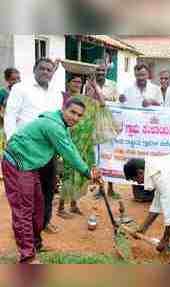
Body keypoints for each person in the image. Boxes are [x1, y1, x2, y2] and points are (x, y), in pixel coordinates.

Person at [2, 98, 102, 263]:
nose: (75, 118)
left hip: (30, 165)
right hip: (17, 163)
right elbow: (68, 152)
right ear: (63, 109)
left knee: (39, 209)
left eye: (79, 115)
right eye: (72, 112)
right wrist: (87, 173)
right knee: (24, 211)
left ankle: (34, 245)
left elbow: (70, 147)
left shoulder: (61, 125)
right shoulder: (53, 126)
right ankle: (28, 257)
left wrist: (89, 169)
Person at [5, 58, 63, 234]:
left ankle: (43, 223)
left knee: (48, 189)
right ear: (34, 70)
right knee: (26, 194)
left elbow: (58, 121)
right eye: (42, 68)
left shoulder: (56, 93)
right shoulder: (20, 88)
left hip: (48, 150)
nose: (46, 72)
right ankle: (26, 230)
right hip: (25, 150)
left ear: (53, 73)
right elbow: (10, 115)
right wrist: (12, 141)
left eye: (49, 69)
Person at [58, 75, 117, 219]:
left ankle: (73, 205)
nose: (92, 91)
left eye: (94, 89)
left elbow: (103, 104)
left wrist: (96, 85)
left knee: (81, 177)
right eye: (89, 88)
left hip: (86, 146)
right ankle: (60, 207)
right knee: (68, 176)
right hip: (72, 144)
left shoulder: (95, 104)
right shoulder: (79, 102)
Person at [86, 61, 120, 199]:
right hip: (94, 125)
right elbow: (87, 101)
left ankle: (111, 188)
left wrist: (100, 96)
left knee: (109, 157)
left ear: (106, 71)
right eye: (98, 70)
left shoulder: (113, 85)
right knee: (97, 159)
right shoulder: (88, 84)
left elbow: (115, 104)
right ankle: (101, 188)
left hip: (107, 126)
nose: (100, 73)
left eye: (102, 70)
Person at [0, 68, 20, 171]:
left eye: (18, 79)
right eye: (13, 79)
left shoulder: (23, 92)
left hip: (20, 127)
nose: (16, 81)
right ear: (7, 80)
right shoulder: (3, 93)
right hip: (5, 127)